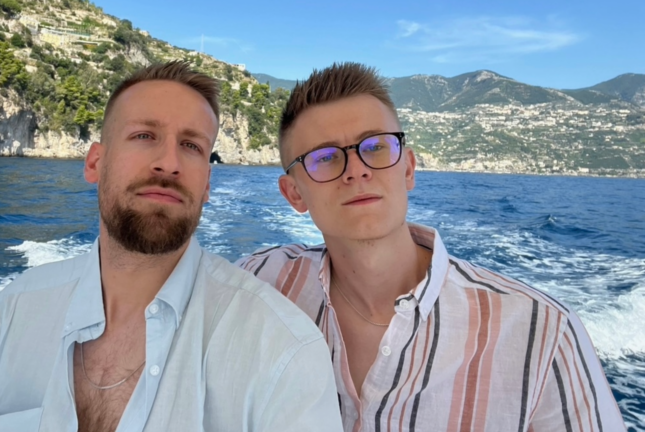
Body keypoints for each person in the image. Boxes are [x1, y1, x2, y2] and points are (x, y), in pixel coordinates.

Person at [236, 62, 626, 432]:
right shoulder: (255, 284)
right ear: (293, 194)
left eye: (374, 146)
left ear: (407, 169)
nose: (356, 169)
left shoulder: (542, 334)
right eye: (324, 158)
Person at [0, 61, 343, 432]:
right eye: (145, 136)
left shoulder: (282, 350)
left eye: (192, 145)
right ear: (96, 162)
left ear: (207, 183)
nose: (168, 163)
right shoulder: (13, 313)